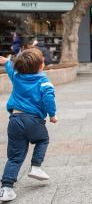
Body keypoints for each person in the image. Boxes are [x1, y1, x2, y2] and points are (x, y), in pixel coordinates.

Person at [0, 49, 58, 202]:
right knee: (43, 140)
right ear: (41, 64)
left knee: (14, 157)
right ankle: (35, 167)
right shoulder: (44, 82)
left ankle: (6, 189)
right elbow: (48, 100)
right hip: (33, 120)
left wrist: (6, 61)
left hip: (14, 120)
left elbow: (9, 67)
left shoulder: (16, 76)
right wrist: (52, 115)